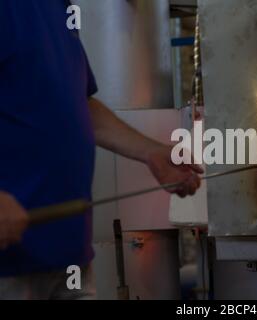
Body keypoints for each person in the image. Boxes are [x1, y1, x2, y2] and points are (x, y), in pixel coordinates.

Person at [0, 1, 202, 299]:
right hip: (9, 263)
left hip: (70, 255)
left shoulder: (58, 8)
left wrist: (151, 152)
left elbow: (78, 103)